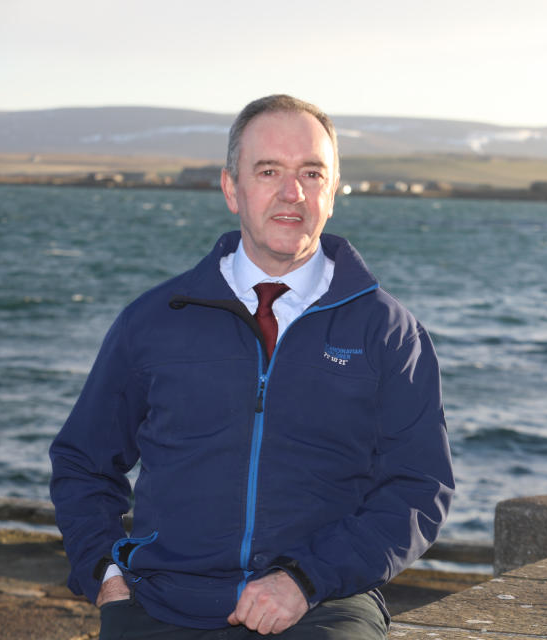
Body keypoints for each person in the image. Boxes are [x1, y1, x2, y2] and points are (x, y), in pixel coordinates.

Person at [49, 94, 455, 639]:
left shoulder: (386, 331)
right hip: (160, 605)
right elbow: (83, 461)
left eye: (312, 173)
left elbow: (419, 488)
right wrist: (103, 572)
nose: (292, 193)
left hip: (323, 605)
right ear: (231, 189)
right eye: (269, 171)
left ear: (333, 192)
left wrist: (304, 580)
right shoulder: (154, 321)